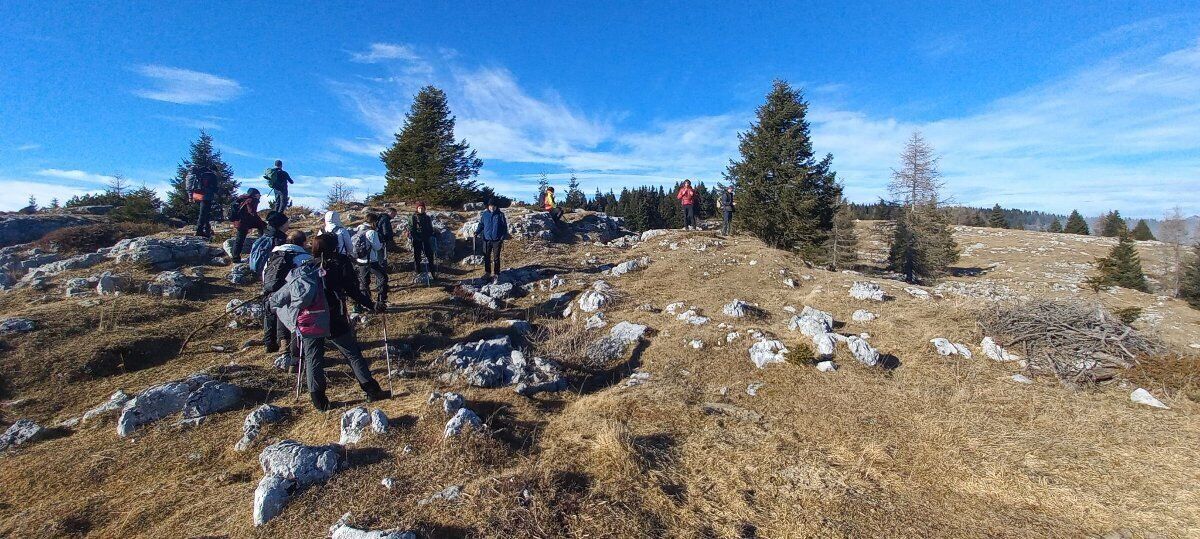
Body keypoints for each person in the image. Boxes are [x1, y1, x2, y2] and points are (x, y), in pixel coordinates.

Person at [281, 232, 389, 411]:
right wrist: (373, 305)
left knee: (313, 358)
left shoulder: (305, 266)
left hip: (309, 319)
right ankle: (371, 390)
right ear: (334, 246)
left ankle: (319, 401)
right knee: (352, 353)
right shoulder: (338, 264)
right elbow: (353, 291)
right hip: (334, 317)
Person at [262, 230, 308, 358]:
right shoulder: (302, 256)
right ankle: (287, 348)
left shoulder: (274, 255)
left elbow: (264, 273)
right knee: (288, 317)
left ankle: (269, 343)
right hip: (289, 293)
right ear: (303, 242)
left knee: (271, 315)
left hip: (271, 291)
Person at [352, 215, 388, 309]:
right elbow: (377, 247)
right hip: (371, 260)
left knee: (364, 282)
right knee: (383, 278)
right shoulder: (371, 232)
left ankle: (367, 303)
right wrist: (381, 243)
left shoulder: (359, 229)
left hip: (360, 260)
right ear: (374, 222)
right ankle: (381, 299)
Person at [474, 199, 510, 281]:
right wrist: (477, 232)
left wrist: (502, 238)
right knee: (486, 257)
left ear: (496, 206)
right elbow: (481, 225)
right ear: (488, 206)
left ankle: (496, 273)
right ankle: (487, 273)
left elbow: (504, 227)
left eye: (493, 206)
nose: (492, 208)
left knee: (496, 257)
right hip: (486, 240)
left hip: (497, 240)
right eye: (490, 206)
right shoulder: (485, 214)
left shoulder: (500, 215)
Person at [230, 188, 267, 262]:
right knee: (240, 239)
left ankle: (235, 257)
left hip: (240, 221)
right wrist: (259, 221)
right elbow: (252, 212)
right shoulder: (252, 200)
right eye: (259, 195)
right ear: (255, 195)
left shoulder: (243, 199)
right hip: (244, 222)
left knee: (239, 240)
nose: (259, 196)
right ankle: (263, 246)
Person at [409, 201, 437, 280]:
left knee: (430, 256)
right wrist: (416, 237)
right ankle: (418, 271)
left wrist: (433, 233)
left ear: (425, 209)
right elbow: (411, 229)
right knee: (417, 257)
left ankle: (432, 272)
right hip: (417, 240)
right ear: (417, 209)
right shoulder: (413, 217)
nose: (421, 210)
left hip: (426, 239)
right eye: (419, 208)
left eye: (422, 208)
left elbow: (430, 227)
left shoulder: (427, 217)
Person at [190, 165, 218, 237]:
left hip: (198, 195)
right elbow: (215, 188)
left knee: (205, 213)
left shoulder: (201, 174)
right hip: (207, 196)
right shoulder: (212, 175)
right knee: (203, 214)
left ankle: (207, 229)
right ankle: (199, 231)